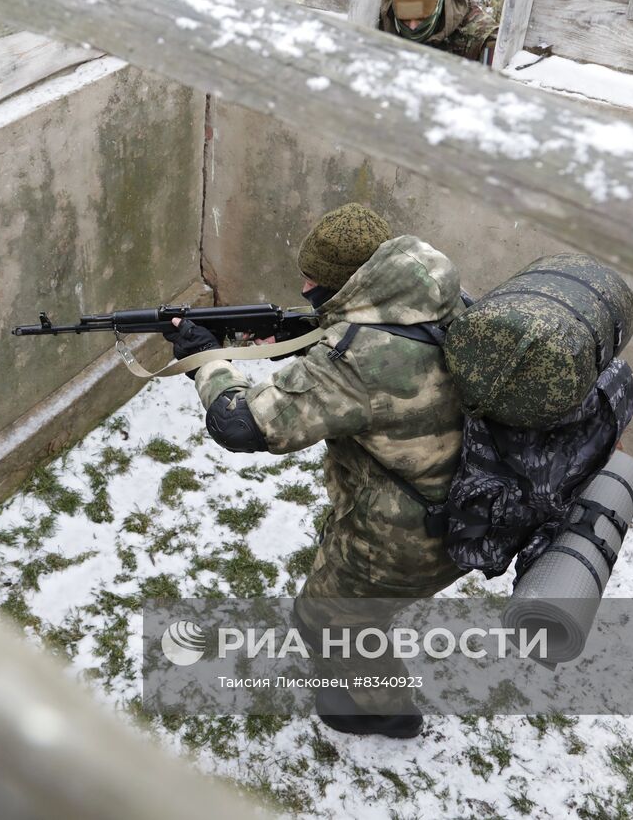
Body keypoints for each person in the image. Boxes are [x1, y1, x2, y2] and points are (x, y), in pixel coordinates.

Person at [164, 203, 467, 738]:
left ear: (350, 282)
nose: (304, 286)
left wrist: (206, 359)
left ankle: (386, 713)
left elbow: (241, 425)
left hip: (402, 538)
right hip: (457, 501)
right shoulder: (437, 301)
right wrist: (311, 337)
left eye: (315, 280)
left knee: (328, 622)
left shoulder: (351, 361)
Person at [378, 0, 499, 64]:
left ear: (438, 8)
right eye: (405, 20)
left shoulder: (481, 38)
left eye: (421, 20)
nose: (412, 27)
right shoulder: (386, 18)